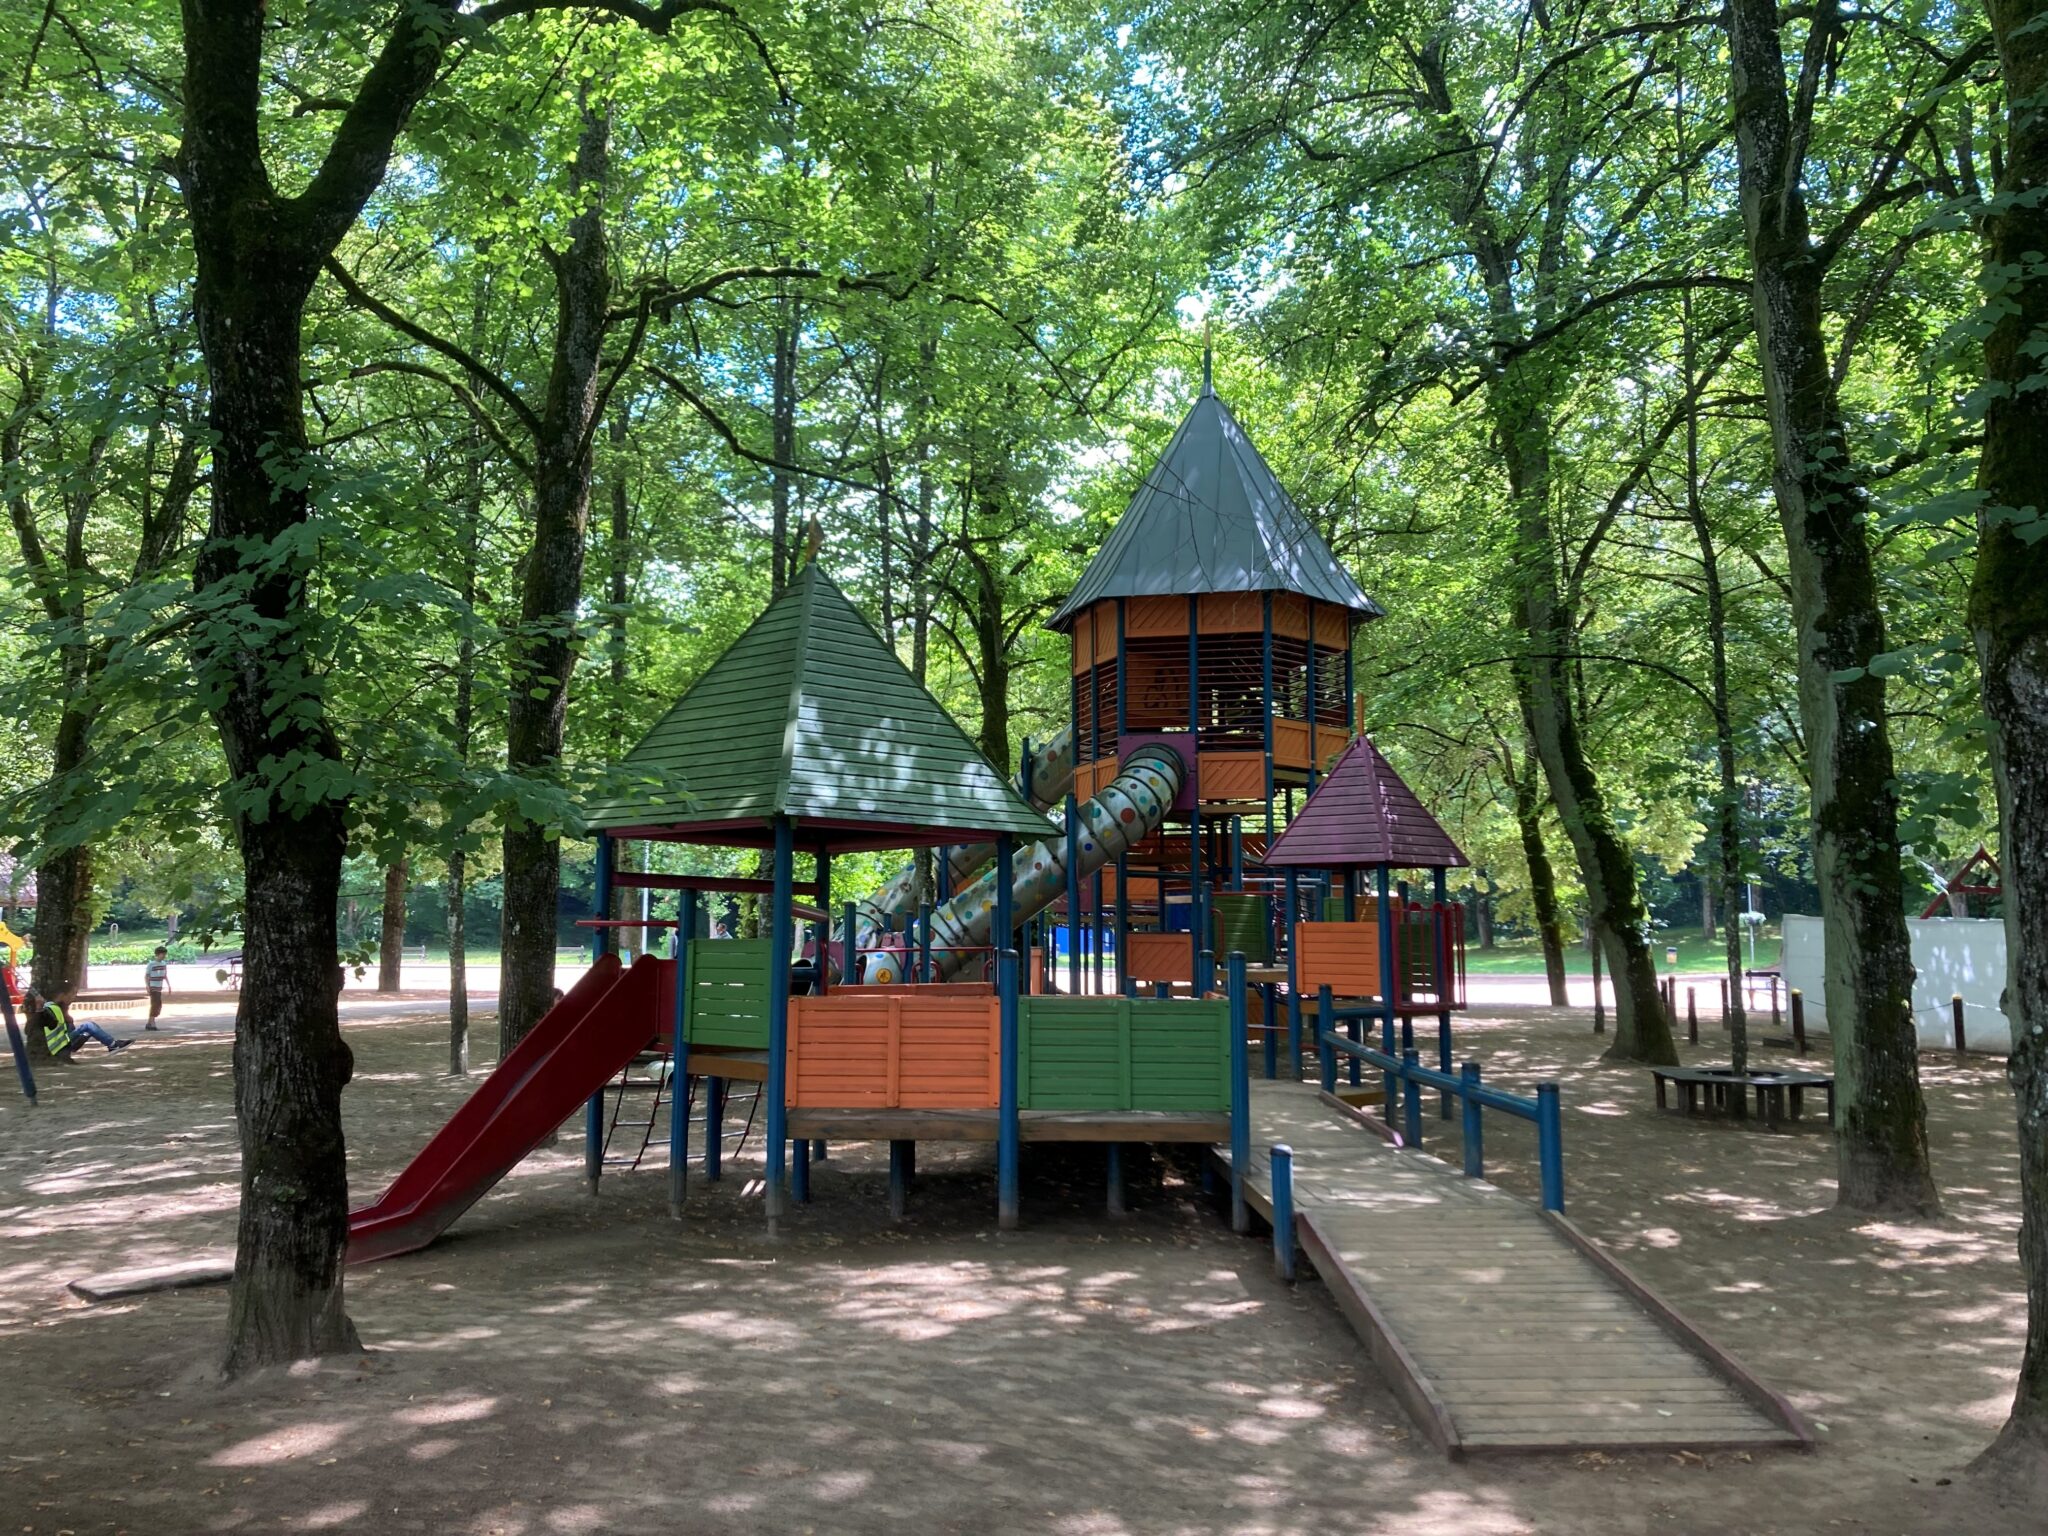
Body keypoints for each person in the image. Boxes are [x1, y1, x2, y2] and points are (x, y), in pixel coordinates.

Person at [26, 987, 129, 1058]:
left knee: (90, 1029)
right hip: (60, 1045)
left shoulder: (57, 1007)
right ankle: (113, 1045)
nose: (73, 997)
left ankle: (112, 1044)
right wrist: (40, 1009)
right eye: (71, 994)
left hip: (64, 1043)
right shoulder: (50, 1008)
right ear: (62, 995)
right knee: (88, 1026)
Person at [144, 945, 170, 1030]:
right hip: (153, 986)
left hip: (159, 987)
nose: (164, 956)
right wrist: (147, 986)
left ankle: (149, 1022)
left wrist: (169, 985)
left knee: (157, 1004)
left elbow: (165, 975)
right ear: (158, 954)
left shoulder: (164, 964)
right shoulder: (151, 964)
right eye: (163, 954)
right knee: (156, 1004)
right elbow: (146, 976)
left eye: (165, 954)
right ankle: (152, 1022)